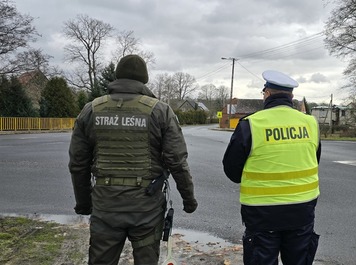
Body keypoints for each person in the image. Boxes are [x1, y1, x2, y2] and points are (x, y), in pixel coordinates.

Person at [68, 54, 198, 265]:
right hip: (146, 207)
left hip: (106, 205)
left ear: (117, 77)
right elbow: (177, 161)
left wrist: (84, 203)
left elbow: (78, 163)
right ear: (144, 80)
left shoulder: (91, 110)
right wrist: (188, 200)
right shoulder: (160, 111)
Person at [222, 70, 321, 265]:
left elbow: (232, 171)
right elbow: (314, 159)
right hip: (302, 211)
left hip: (262, 214)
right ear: (291, 97)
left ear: (266, 94)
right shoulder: (310, 123)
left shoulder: (251, 124)